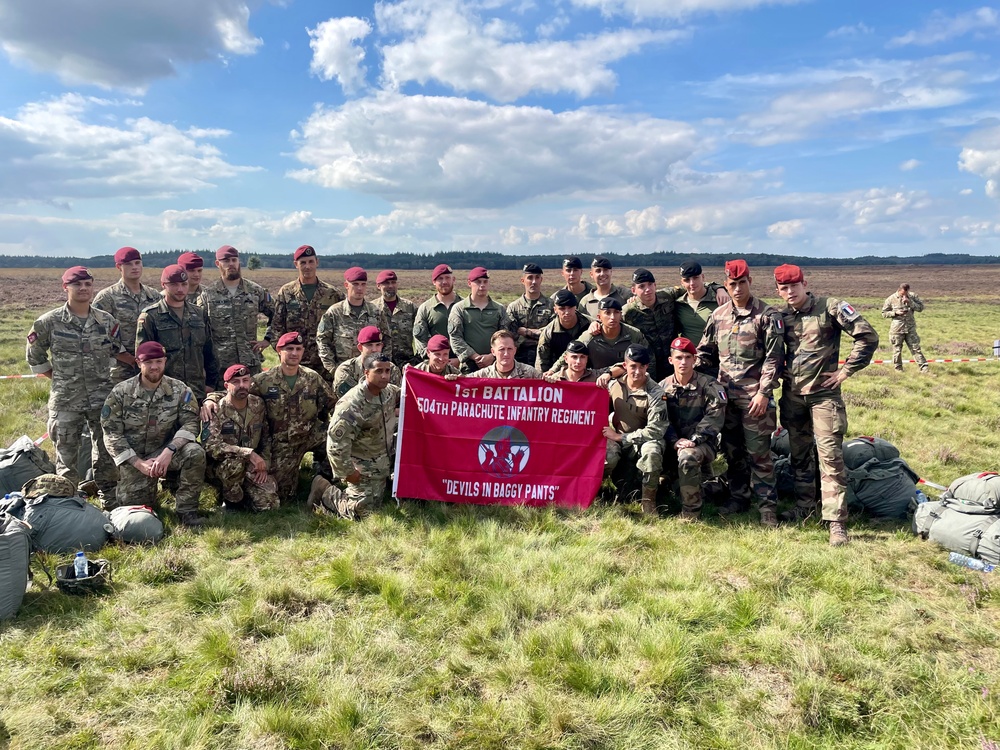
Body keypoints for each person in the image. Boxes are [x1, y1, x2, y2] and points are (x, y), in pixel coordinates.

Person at [774, 263, 878, 545]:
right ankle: (805, 508)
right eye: (784, 288)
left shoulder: (831, 307)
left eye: (794, 285)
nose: (790, 291)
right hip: (793, 397)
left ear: (804, 283)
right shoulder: (780, 315)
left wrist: (846, 371)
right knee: (799, 454)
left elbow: (867, 336)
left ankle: (836, 522)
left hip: (824, 397)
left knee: (830, 458)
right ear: (778, 291)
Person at [26, 266, 126, 501]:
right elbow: (35, 356)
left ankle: (108, 495)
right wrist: (62, 378)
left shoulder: (106, 321)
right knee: (66, 455)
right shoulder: (48, 322)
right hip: (66, 400)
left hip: (101, 398)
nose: (83, 288)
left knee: (105, 450)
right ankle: (67, 500)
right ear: (66, 287)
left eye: (87, 284)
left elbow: (114, 353)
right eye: (77, 284)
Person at [696, 260, 783, 526]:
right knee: (733, 452)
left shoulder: (768, 316)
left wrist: (763, 393)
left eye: (742, 283)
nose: (737, 288)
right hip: (726, 399)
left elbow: (774, 359)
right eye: (732, 284)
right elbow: (704, 353)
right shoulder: (719, 316)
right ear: (726, 285)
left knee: (759, 454)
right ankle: (739, 496)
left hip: (755, 399)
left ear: (750, 282)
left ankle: (767, 506)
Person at [203, 331, 335, 504]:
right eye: (289, 349)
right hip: (281, 443)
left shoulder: (312, 378)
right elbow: (237, 392)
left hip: (308, 434)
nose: (294, 353)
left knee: (337, 437)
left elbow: (333, 403)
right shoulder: (264, 380)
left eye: (298, 349)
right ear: (279, 351)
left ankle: (325, 476)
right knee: (284, 496)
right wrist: (211, 399)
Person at [101, 341, 207, 526]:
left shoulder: (180, 389)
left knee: (194, 452)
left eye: (158, 361)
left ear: (165, 361)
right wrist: (138, 463)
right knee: (135, 514)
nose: (154, 366)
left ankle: (187, 511)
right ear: (138, 363)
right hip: (133, 459)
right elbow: (111, 433)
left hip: (164, 453)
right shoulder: (121, 393)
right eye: (148, 362)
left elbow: (190, 423)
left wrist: (169, 452)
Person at [308, 353, 400, 520]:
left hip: (382, 464)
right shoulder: (352, 404)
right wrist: (348, 472)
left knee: (378, 505)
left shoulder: (389, 393)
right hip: (361, 468)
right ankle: (324, 489)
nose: (385, 376)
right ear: (366, 373)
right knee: (361, 514)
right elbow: (335, 444)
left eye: (387, 371)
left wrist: (451, 384)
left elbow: (417, 395)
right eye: (379, 371)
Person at [660, 337, 727, 521]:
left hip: (703, 444)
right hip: (673, 445)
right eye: (679, 357)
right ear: (670, 360)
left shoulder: (709, 385)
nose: (683, 362)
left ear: (695, 359)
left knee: (687, 457)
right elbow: (660, 419)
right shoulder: (662, 388)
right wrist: (674, 441)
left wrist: (695, 439)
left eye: (688, 357)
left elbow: (715, 417)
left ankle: (691, 513)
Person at [136, 265, 220, 403]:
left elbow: (209, 351)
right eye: (174, 284)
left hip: (196, 392)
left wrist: (211, 384)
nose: (180, 289)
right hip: (164, 394)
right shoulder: (150, 317)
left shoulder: (199, 314)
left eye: (184, 284)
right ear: (163, 285)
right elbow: (142, 360)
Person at [203, 364, 279, 512]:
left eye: (245, 380)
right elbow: (212, 446)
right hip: (222, 467)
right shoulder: (216, 410)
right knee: (234, 464)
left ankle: (245, 497)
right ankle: (232, 502)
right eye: (236, 382)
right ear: (226, 385)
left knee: (270, 505)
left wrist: (264, 465)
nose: (242, 385)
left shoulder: (258, 405)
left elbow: (266, 439)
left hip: (250, 465)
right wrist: (248, 453)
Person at [602, 344, 667, 515]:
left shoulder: (656, 393)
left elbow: (655, 431)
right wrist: (607, 374)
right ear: (625, 366)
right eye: (633, 366)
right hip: (619, 440)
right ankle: (593, 492)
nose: (637, 371)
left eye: (642, 367)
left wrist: (621, 438)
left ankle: (648, 503)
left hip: (642, 441)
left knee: (652, 451)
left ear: (647, 367)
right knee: (606, 457)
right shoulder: (614, 384)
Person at [271, 244, 345, 381]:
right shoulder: (286, 292)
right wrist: (283, 355)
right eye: (303, 262)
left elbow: (342, 328)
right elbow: (277, 327)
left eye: (311, 261)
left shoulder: (333, 294)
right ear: (296, 264)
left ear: (317, 262)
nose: (307, 266)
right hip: (295, 363)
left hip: (325, 363)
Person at [198, 245, 274, 375]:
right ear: (218, 263)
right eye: (226, 261)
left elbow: (277, 314)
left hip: (250, 364)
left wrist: (268, 339)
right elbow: (199, 330)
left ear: (239, 261)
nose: (231, 264)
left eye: (234, 260)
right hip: (220, 367)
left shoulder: (255, 291)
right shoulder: (208, 295)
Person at [93, 246, 161, 383]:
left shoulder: (154, 296)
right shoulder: (107, 297)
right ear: (119, 267)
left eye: (137, 263)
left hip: (152, 367)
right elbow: (98, 332)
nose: (134, 267)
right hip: (120, 370)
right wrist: (128, 358)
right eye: (129, 264)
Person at [317, 267, 392, 378]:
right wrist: (334, 370)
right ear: (346, 285)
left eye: (363, 284)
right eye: (355, 284)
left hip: (372, 375)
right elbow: (323, 341)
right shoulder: (334, 313)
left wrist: (381, 367)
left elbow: (387, 341)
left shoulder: (376, 312)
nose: (360, 288)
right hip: (344, 374)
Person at [551, 297, 649, 375]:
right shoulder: (590, 336)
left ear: (621, 315)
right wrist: (552, 371)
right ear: (599, 317)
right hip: (599, 382)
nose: (612, 317)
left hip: (627, 383)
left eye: (616, 312)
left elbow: (649, 359)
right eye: (607, 313)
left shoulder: (634, 335)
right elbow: (569, 353)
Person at [447, 266, 514, 373]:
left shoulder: (499, 309)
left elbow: (505, 336)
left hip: (495, 365)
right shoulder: (459, 309)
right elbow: (455, 337)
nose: (482, 285)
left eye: (485, 282)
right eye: (478, 282)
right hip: (469, 365)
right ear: (469, 283)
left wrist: (491, 356)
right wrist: (475, 356)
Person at [671, 261, 728, 375]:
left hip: (718, 362)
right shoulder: (678, 304)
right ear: (682, 282)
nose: (692, 283)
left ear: (703, 277)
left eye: (696, 278)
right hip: (690, 362)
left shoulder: (720, 299)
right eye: (687, 280)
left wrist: (720, 288)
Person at [623, 268, 675, 380]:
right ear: (633, 290)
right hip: (647, 366)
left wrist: (717, 288)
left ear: (655, 285)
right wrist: (595, 326)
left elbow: (691, 286)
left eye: (650, 284)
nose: (648, 289)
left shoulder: (667, 297)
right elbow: (609, 321)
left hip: (672, 362)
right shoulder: (628, 311)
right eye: (641, 286)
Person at [333, 326, 403, 398]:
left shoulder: (391, 369)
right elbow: (348, 399)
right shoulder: (346, 370)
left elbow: (398, 398)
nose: (374, 349)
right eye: (369, 345)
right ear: (360, 347)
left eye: (378, 345)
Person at [506, 263, 554, 366]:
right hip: (519, 359)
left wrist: (526, 332)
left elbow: (552, 332)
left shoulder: (551, 305)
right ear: (523, 280)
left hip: (545, 358)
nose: (534, 282)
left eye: (537, 278)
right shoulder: (514, 307)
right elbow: (511, 334)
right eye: (530, 278)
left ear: (541, 280)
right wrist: (539, 334)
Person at [536, 289, 591, 374]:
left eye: (570, 307)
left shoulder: (590, 324)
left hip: (590, 373)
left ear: (575, 307)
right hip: (560, 375)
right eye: (562, 308)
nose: (567, 312)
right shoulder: (549, 333)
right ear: (555, 310)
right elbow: (542, 363)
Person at [413, 264, 461, 363]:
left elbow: (472, 337)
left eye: (448, 278)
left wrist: (461, 360)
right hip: (435, 365)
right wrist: (433, 359)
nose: (444, 282)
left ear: (454, 279)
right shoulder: (425, 308)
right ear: (434, 282)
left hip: (463, 365)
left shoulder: (464, 306)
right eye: (440, 279)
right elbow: (420, 340)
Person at [454, 330, 542, 379]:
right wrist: (452, 380)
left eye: (510, 349)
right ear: (493, 352)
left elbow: (547, 387)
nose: (506, 353)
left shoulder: (530, 373)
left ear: (515, 351)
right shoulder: (483, 375)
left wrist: (550, 381)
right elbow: (462, 382)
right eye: (501, 349)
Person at [374, 269, 417, 369]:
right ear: (378, 286)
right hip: (380, 363)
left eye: (393, 282)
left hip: (407, 363)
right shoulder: (373, 309)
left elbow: (420, 334)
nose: (390, 286)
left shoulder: (410, 307)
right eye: (386, 283)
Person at [881, 283, 929, 372]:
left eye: (906, 293)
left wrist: (910, 302)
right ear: (899, 290)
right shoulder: (891, 299)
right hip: (897, 329)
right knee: (897, 350)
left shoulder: (913, 296)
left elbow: (920, 308)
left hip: (910, 328)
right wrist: (895, 313)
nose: (904, 295)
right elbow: (884, 313)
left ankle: (924, 368)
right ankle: (898, 369)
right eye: (903, 294)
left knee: (916, 348)